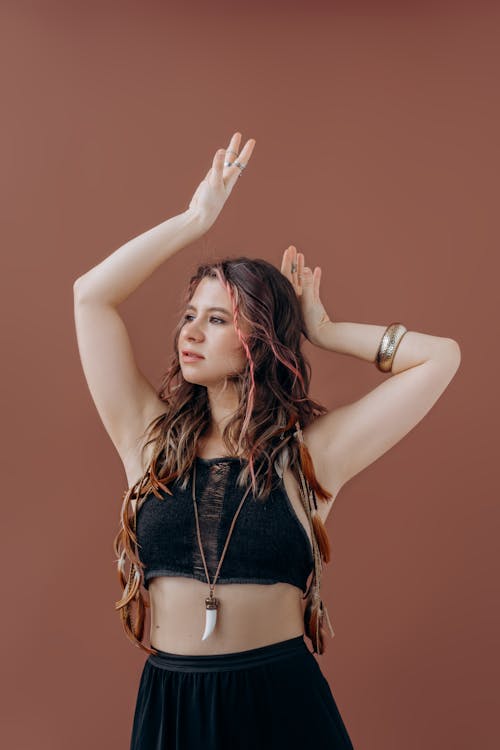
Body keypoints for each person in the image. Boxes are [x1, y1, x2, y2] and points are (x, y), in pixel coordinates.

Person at [73, 131, 461, 749]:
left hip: (281, 702)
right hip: (172, 704)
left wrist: (325, 330)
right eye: (189, 315)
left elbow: (440, 358)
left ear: (259, 342)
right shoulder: (146, 439)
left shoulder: (312, 455)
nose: (191, 332)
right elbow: (90, 297)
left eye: (218, 318)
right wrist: (194, 219)